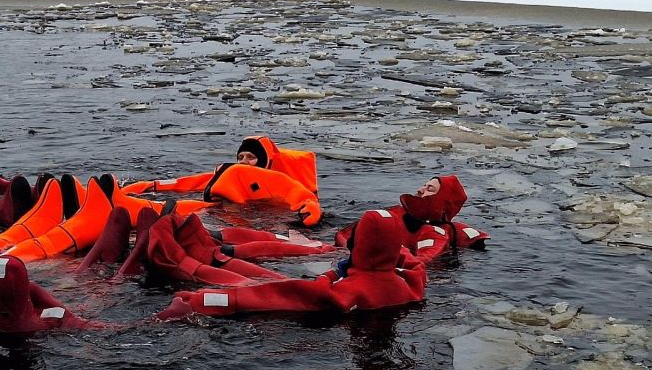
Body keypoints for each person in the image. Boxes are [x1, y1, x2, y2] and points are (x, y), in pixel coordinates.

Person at [158, 208, 427, 319]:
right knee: (270, 279)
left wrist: (196, 302)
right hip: (355, 282)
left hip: (320, 300)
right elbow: (415, 264)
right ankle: (206, 253)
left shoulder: (344, 291)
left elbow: (269, 298)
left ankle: (186, 261)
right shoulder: (406, 282)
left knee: (263, 284)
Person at [123, 135, 322, 226]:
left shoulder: (280, 182)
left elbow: (298, 194)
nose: (244, 162)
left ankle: (132, 210)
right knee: (196, 208)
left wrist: (310, 207)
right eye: (241, 157)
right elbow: (187, 183)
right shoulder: (229, 175)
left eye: (250, 158)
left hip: (263, 221)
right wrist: (148, 185)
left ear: (264, 161)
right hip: (225, 215)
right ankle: (129, 206)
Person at [334, 173, 488, 264]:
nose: (421, 190)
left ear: (442, 200)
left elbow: (423, 261)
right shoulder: (395, 213)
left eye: (430, 189)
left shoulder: (435, 233)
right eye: (424, 185)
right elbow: (346, 235)